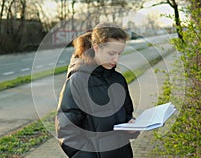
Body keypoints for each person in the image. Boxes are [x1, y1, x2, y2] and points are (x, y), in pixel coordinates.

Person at [55, 22, 139, 158]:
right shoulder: (77, 82)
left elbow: (127, 114)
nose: (116, 59)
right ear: (96, 47)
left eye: (120, 53)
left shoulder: (118, 79)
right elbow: (67, 132)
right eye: (111, 53)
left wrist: (131, 127)